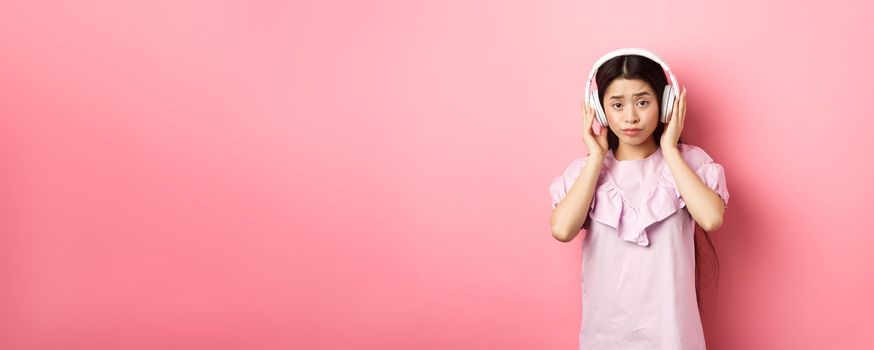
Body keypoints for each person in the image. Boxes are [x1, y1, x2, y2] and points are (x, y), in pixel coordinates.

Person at [548, 52, 730, 349]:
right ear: (600, 110)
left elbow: (711, 218)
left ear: (665, 103)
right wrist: (596, 157)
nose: (630, 116)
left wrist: (669, 149)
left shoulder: (690, 163)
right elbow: (562, 230)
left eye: (643, 102)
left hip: (672, 334)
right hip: (606, 334)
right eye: (617, 105)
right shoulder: (585, 173)